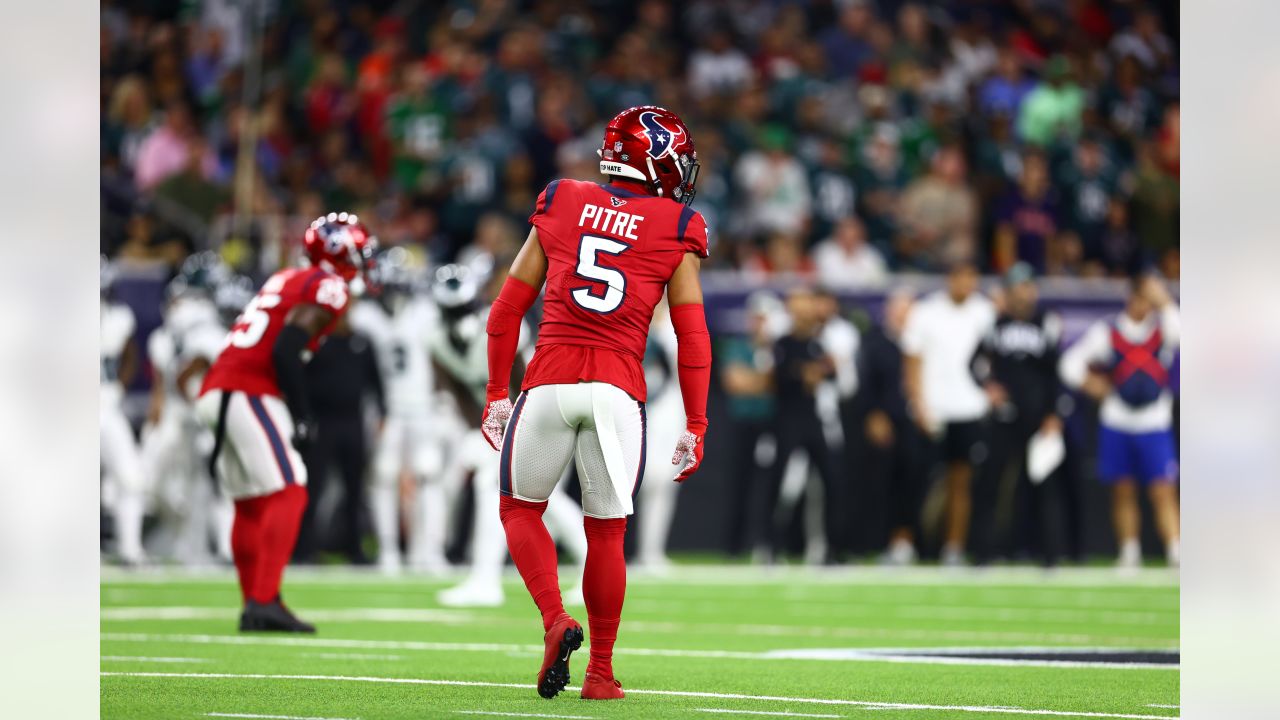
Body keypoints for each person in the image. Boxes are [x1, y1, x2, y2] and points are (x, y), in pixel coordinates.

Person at [481, 106, 711, 701]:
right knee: (606, 534)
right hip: (617, 389)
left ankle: (556, 620)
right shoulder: (677, 223)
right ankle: (601, 673)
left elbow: (506, 310)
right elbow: (693, 334)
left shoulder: (561, 197)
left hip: (549, 379)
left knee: (519, 509)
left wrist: (495, 394)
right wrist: (696, 421)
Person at [195, 212, 376, 633]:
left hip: (219, 386)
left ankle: (256, 601)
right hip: (249, 389)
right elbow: (286, 349)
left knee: (251, 500)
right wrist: (302, 415)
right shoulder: (330, 287)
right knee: (290, 489)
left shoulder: (288, 277)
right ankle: (263, 600)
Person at [1059, 274, 1180, 568]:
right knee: (1122, 490)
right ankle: (1129, 551)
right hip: (1117, 420)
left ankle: (1175, 550)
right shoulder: (1108, 330)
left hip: (1154, 421)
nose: (1146, 306)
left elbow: (1182, 333)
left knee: (1162, 489)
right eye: (1142, 298)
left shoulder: (1163, 329)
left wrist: (1163, 300)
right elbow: (1069, 364)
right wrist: (1092, 384)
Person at [349, 247, 449, 575]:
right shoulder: (368, 316)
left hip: (420, 407)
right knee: (384, 479)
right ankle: (390, 551)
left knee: (428, 477)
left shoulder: (423, 312)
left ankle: (427, 550)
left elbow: (438, 359)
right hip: (386, 410)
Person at [142, 253, 237, 565]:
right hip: (193, 412)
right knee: (201, 484)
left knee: (198, 485)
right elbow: (188, 368)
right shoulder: (203, 321)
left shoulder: (183, 317)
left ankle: (199, 548)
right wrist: (200, 405)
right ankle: (202, 547)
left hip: (184, 409)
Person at [901, 261, 996, 565]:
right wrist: (918, 403)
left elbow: (993, 358)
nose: (966, 284)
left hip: (969, 408)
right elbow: (912, 360)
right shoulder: (926, 312)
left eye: (972, 277)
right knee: (915, 480)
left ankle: (952, 548)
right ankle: (904, 546)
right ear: (949, 279)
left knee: (961, 482)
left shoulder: (986, 312)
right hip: (933, 408)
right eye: (961, 277)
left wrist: (989, 393)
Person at [970, 264, 1065, 566]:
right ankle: (984, 552)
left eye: (1027, 286)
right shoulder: (995, 325)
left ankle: (1048, 554)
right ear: (1008, 293)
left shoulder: (1047, 323)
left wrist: (1053, 412)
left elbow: (1055, 374)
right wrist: (989, 387)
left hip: (1038, 417)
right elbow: (972, 363)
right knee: (991, 482)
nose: (1024, 293)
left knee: (1044, 484)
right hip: (1005, 415)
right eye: (1017, 287)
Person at [760, 287, 845, 564]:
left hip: (813, 417)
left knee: (832, 481)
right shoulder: (784, 341)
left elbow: (833, 377)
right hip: (787, 417)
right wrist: (805, 373)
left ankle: (832, 550)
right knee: (779, 482)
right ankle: (770, 547)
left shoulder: (820, 343)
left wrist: (824, 371)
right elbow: (779, 377)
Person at [294, 313, 382, 565]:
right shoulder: (317, 343)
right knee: (313, 488)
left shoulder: (362, 342)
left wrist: (382, 413)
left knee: (355, 489)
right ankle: (304, 549)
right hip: (322, 422)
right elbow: (301, 379)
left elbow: (375, 383)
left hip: (353, 422)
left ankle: (354, 548)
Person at [859, 289, 922, 564]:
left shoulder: (919, 342)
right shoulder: (875, 341)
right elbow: (866, 380)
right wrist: (873, 413)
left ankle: (903, 542)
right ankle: (875, 542)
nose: (902, 315)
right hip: (886, 418)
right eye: (898, 309)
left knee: (911, 481)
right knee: (878, 484)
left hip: (915, 419)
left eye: (907, 309)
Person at [719, 291, 782, 557]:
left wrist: (756, 381)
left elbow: (776, 383)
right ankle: (735, 545)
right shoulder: (737, 346)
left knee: (770, 484)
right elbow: (734, 382)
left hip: (770, 422)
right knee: (739, 483)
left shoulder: (777, 349)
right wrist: (763, 381)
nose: (759, 323)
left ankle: (765, 542)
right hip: (743, 422)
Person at [100, 257, 146, 565]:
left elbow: (131, 354)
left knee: (130, 477)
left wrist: (120, 385)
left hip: (104, 406)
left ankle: (130, 550)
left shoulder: (118, 315)